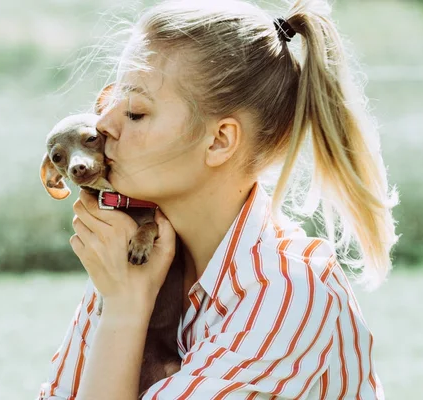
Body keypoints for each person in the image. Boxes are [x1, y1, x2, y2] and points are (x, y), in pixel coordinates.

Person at [37, 0, 398, 398]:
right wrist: (123, 299)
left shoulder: (287, 292)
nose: (102, 124)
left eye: (136, 112)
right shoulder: (130, 259)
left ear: (219, 141)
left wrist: (123, 311)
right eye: (110, 104)